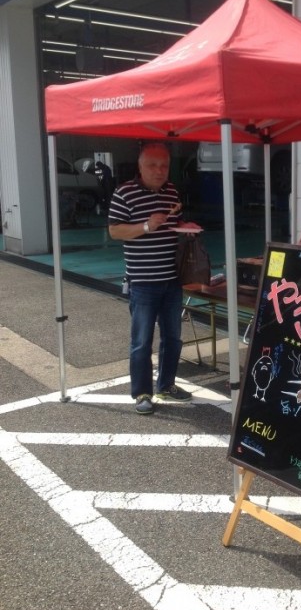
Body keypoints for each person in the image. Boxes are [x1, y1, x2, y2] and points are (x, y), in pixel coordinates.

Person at [108, 143, 202, 415]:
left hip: (172, 279)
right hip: (143, 281)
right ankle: (141, 393)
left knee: (173, 338)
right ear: (140, 166)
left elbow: (175, 226)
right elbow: (115, 231)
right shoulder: (124, 192)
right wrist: (147, 225)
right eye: (152, 165)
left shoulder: (171, 191)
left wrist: (188, 229)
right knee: (141, 341)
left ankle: (166, 385)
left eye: (164, 165)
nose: (159, 171)